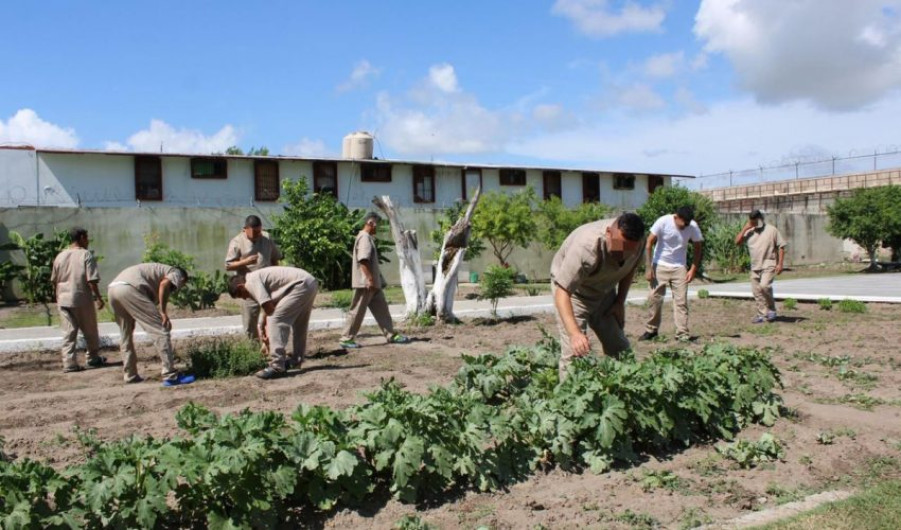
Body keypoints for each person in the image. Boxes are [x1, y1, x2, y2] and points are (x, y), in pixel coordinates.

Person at [550, 213, 646, 380]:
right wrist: (575, 334)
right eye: (620, 246)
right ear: (608, 233)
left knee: (620, 349)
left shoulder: (638, 243)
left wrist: (619, 302)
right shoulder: (585, 247)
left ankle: (624, 390)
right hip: (575, 294)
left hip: (604, 291)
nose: (623, 254)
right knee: (576, 355)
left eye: (629, 250)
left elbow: (630, 268)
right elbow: (562, 292)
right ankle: (569, 395)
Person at [107, 263, 193, 385]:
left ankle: (130, 375)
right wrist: (163, 312)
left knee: (126, 334)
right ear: (183, 279)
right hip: (130, 288)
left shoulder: (157, 270)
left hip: (112, 290)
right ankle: (170, 376)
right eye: (181, 285)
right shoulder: (176, 272)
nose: (178, 287)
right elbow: (164, 284)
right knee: (160, 330)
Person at [227, 266, 318, 379]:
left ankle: (277, 366)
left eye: (241, 295)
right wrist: (263, 325)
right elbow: (270, 305)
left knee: (276, 319)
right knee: (300, 323)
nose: (244, 298)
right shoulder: (255, 277)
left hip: (299, 285)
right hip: (309, 282)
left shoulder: (251, 283)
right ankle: (296, 360)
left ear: (241, 286)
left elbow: (270, 309)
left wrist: (267, 336)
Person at [339, 212, 409, 349]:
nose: (378, 228)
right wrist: (369, 279)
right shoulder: (364, 238)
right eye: (377, 224)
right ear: (370, 223)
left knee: (382, 310)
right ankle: (346, 338)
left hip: (373, 284)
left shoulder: (367, 237)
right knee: (357, 311)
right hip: (366, 284)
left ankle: (391, 334)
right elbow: (363, 260)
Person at [640, 206, 704, 342]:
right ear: (676, 217)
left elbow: (698, 246)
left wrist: (693, 269)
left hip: (679, 267)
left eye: (688, 223)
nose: (686, 226)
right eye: (684, 223)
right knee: (654, 299)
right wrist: (648, 268)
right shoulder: (663, 222)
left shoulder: (692, 226)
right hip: (660, 265)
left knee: (681, 301)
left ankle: (682, 334)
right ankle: (651, 330)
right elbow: (649, 242)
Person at [51, 227, 106, 373]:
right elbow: (91, 280)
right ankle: (93, 358)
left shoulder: (60, 256)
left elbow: (54, 280)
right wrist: (99, 298)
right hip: (81, 298)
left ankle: (69, 363)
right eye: (87, 238)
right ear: (81, 238)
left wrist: (58, 297)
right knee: (90, 331)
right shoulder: (85, 255)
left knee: (68, 333)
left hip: (63, 299)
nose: (88, 241)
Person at [225, 215, 282, 339]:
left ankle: (272, 345)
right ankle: (253, 348)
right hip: (247, 289)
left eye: (259, 231)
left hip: (267, 286)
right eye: (254, 232)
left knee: (272, 316)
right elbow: (228, 266)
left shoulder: (267, 238)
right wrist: (245, 262)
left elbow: (275, 259)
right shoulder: (237, 242)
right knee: (250, 322)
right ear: (245, 229)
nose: (257, 235)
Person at [735, 210, 787, 323]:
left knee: (764, 286)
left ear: (761, 219)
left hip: (768, 263)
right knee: (757, 291)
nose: (754, 224)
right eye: (752, 222)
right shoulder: (749, 231)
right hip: (755, 266)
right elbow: (737, 242)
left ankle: (771, 310)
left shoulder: (772, 230)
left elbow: (781, 246)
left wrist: (780, 264)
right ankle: (762, 314)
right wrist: (745, 228)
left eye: (756, 221)